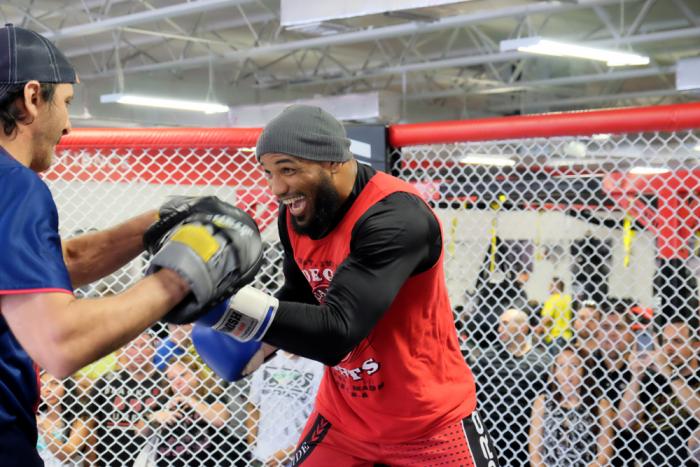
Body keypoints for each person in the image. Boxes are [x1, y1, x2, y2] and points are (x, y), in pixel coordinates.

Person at [0, 24, 258, 467]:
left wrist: (158, 221)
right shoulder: (14, 184)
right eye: (65, 103)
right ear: (31, 98)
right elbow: (59, 343)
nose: (68, 124)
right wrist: (182, 276)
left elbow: (57, 262)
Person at [192, 105, 498, 466]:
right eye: (269, 173)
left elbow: (338, 332)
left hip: (428, 424)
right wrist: (254, 346)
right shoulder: (296, 215)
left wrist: (229, 308)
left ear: (332, 162)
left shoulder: (396, 218)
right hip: (343, 420)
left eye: (288, 170)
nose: (277, 188)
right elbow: (301, 295)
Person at [472, 308, 551, 467]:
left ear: (523, 328)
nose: (499, 329)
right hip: (489, 437)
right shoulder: (487, 358)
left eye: (505, 324)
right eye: (500, 324)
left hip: (524, 439)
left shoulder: (542, 362)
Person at [618, 317, 699, 466]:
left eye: (677, 342)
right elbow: (625, 421)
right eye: (665, 342)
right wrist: (636, 376)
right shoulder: (654, 380)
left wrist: (669, 374)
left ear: (695, 346)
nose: (668, 348)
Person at [145, 354, 248, 467]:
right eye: (172, 379)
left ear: (197, 374)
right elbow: (139, 431)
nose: (177, 382)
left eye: (183, 375)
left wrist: (189, 400)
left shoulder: (211, 398)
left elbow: (220, 419)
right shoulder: (164, 402)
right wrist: (154, 417)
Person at [84, 332, 169, 466]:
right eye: (133, 346)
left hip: (149, 459)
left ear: (154, 349)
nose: (139, 351)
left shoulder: (165, 382)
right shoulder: (108, 380)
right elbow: (90, 420)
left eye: (145, 345)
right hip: (109, 459)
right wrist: (91, 457)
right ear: (124, 350)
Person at [529, 346, 615, 467]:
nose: (567, 373)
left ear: (585, 370)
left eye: (574, 366)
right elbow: (535, 456)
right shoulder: (542, 402)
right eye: (561, 366)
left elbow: (603, 458)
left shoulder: (601, 405)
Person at [245, 351, 324, 466]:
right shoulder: (266, 360)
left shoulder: (316, 365)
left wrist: (291, 451)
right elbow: (253, 406)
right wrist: (252, 447)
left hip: (301, 454)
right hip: (263, 454)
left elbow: (321, 418)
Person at [36, 373, 90, 466]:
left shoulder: (80, 418)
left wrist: (42, 429)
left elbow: (66, 457)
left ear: (67, 386)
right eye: (42, 385)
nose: (47, 389)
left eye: (55, 383)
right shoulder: (36, 416)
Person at [538, 277, 574, 356]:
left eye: (550, 286)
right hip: (568, 335)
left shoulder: (552, 299)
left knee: (554, 362)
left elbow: (547, 318)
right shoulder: (568, 299)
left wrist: (537, 329)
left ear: (554, 286)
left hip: (555, 336)